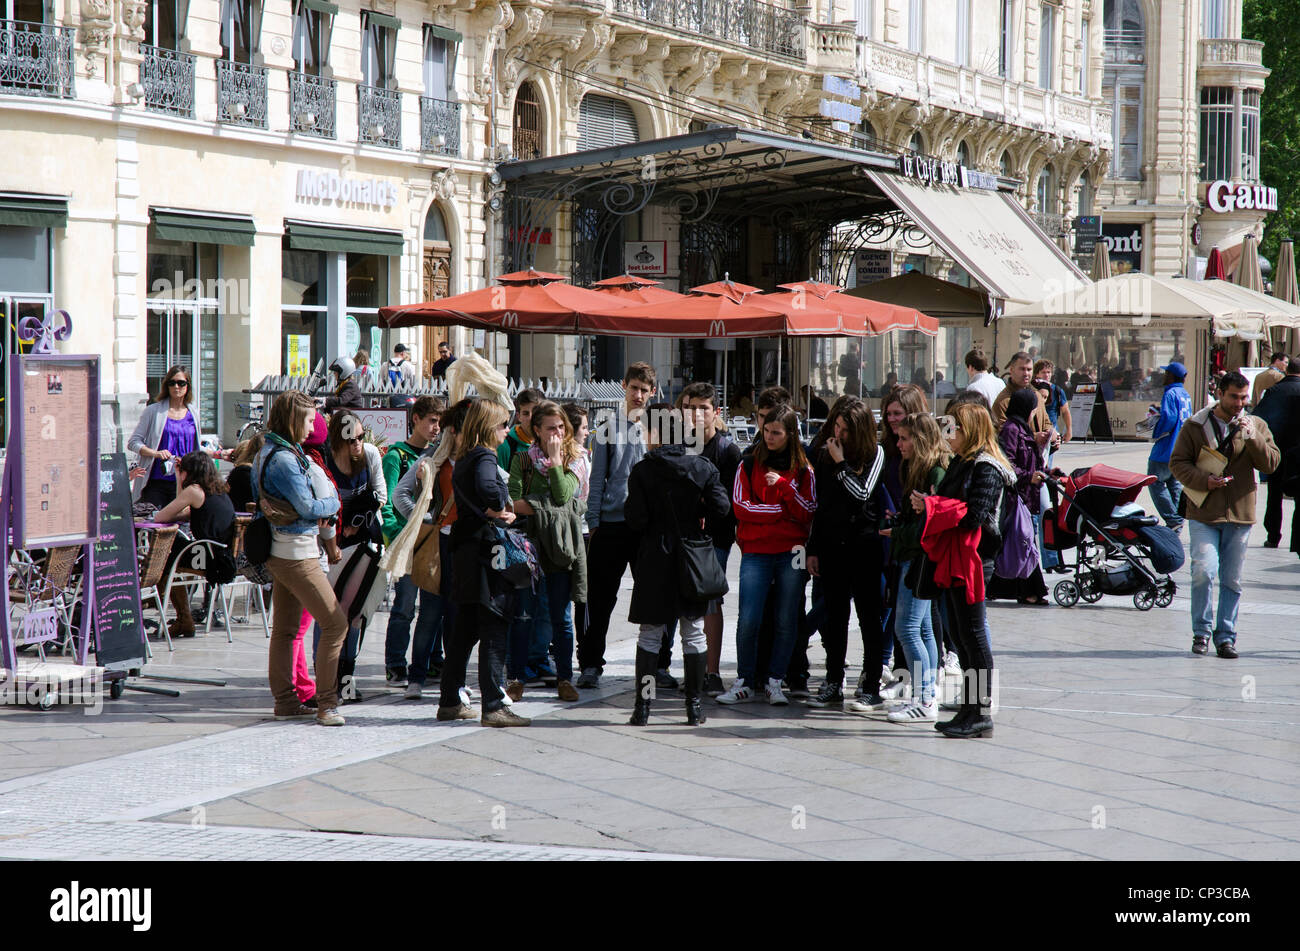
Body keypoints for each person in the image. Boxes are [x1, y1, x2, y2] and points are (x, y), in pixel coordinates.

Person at [624, 404, 730, 726]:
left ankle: (643, 709)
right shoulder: (703, 467)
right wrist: (698, 514)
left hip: (656, 556)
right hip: (692, 556)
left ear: (657, 433)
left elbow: (635, 519)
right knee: (694, 633)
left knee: (650, 635)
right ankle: (694, 706)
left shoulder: (643, 470)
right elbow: (722, 508)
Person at [252, 390, 348, 726]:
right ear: (294, 418)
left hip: (279, 551)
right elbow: (310, 508)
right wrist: (333, 504)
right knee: (336, 624)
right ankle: (327, 704)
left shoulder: (266, 451)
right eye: (309, 420)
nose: (313, 427)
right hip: (297, 554)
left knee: (286, 630)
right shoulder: (285, 459)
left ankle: (286, 702)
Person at [1169, 371, 1279, 658]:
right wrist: (1204, 480)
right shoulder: (1196, 425)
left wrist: (1252, 437)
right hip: (1204, 512)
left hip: (1240, 514)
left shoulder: (1256, 424)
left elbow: (1270, 464)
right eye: (1233, 397)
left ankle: (1226, 636)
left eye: (1243, 398)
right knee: (1203, 572)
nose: (1239, 403)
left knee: (1232, 580)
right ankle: (1201, 632)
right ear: (1219, 393)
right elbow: (1178, 463)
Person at [924, 402, 1014, 738]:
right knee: (962, 638)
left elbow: (976, 514)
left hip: (976, 560)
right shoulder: (963, 462)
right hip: (958, 556)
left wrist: (934, 505)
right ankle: (969, 709)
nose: (948, 434)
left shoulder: (986, 466)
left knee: (973, 637)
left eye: (954, 428)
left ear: (970, 431)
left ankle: (980, 713)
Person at [717, 404, 817, 706]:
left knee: (787, 619)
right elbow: (740, 506)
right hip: (756, 552)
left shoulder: (804, 469)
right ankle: (745, 680)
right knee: (748, 618)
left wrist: (785, 489)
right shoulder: (747, 463)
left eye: (776, 432)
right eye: (766, 431)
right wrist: (779, 512)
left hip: (792, 553)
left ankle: (775, 681)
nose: (769, 437)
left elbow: (808, 511)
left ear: (790, 435)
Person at [446, 398, 530, 726]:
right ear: (488, 428)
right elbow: (488, 490)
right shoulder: (484, 456)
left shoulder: (465, 456)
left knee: (465, 628)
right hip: (485, 551)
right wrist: (499, 504)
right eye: (503, 425)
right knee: (495, 623)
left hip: (466, 548)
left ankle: (450, 700)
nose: (507, 431)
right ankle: (493, 705)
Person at [576, 363, 655, 688]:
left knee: (653, 596)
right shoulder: (609, 425)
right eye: (633, 387)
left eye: (644, 390)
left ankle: (657, 666)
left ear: (652, 392)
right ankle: (591, 663)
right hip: (610, 524)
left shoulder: (658, 426)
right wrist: (594, 522)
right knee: (599, 598)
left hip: (647, 527)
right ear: (624, 386)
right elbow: (597, 479)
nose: (638, 395)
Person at [804, 396, 885, 709]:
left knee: (868, 618)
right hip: (831, 546)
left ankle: (871, 683)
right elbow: (820, 506)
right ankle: (833, 680)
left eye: (845, 429)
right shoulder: (825, 454)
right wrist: (813, 549)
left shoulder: (874, 453)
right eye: (835, 425)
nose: (837, 433)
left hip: (864, 547)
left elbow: (862, 494)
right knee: (835, 618)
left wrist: (840, 463)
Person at [507, 400, 588, 703]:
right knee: (524, 614)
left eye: (561, 427)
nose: (557, 432)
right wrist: (551, 505)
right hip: (528, 545)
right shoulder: (522, 459)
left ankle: (565, 678)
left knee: (561, 617)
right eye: (550, 427)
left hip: (561, 546)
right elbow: (513, 502)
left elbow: (566, 494)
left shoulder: (576, 457)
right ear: (537, 430)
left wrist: (555, 462)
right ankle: (515, 677)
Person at [875, 413, 949, 723]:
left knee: (906, 628)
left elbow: (930, 525)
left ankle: (926, 699)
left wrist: (900, 531)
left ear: (919, 440)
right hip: (913, 556)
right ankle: (926, 695)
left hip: (920, 558)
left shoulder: (935, 472)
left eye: (905, 438)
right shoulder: (915, 468)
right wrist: (899, 521)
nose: (899, 443)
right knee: (922, 629)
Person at [381, 397, 446, 694]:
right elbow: (389, 498)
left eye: (439, 422)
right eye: (431, 421)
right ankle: (396, 664)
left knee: (435, 606)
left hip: (432, 540)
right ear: (415, 419)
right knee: (405, 605)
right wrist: (399, 534)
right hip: (407, 539)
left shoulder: (440, 453)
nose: (436, 428)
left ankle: (433, 659)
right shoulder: (398, 455)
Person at [681, 382, 741, 697]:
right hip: (683, 535)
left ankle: (712, 672)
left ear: (715, 413)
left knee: (710, 601)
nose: (697, 414)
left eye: (704, 408)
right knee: (686, 602)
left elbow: (729, 503)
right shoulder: (680, 444)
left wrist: (704, 507)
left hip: (714, 538)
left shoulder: (727, 450)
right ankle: (692, 668)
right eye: (691, 408)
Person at [153, 451, 237, 639]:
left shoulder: (194, 491)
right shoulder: (218, 489)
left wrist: (178, 478)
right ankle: (183, 619)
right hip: (223, 557)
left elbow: (160, 517)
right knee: (171, 552)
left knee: (162, 554)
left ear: (189, 472)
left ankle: (184, 618)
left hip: (209, 559)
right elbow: (186, 511)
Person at [986, 387, 1050, 605]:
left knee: (1019, 542)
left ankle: (1003, 588)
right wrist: (1028, 476)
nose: (1034, 413)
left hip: (1026, 496)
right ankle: (1030, 590)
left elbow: (1031, 462)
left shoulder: (1022, 428)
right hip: (1017, 497)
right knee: (1023, 542)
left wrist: (1048, 474)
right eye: (1033, 409)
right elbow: (1008, 464)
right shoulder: (1012, 430)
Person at [128, 365, 203, 507]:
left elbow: (197, 448)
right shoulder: (153, 411)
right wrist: (155, 453)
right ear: (166, 386)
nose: (176, 387)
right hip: (156, 480)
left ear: (188, 386)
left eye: (181, 383)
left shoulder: (193, 413)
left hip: (184, 481)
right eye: (172, 383)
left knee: (182, 525)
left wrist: (219, 454)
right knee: (154, 522)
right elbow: (133, 442)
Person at [1254, 357, 1300, 550]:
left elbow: (1259, 417)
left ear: (1287, 370)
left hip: (1277, 451)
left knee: (1274, 495)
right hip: (1298, 454)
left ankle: (1273, 536)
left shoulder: (1274, 390)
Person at [1146, 361, 1194, 533]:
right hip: (1181, 447)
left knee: (1154, 481)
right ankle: (1178, 519)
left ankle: (1173, 519)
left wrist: (1155, 430)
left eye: (1167, 373)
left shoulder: (1170, 393)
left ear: (1172, 376)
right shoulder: (1184, 394)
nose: (1164, 376)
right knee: (1174, 484)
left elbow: (1169, 418)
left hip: (1165, 448)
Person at [992, 352, 1051, 435]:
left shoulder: (1037, 395)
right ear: (1011, 370)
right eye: (1022, 369)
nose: (1026, 373)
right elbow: (1005, 434)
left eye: (1029, 369)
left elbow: (1046, 422)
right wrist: (1035, 437)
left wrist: (1051, 435)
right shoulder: (1003, 401)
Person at [1033, 359, 1072, 445]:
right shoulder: (1032, 389)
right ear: (1037, 374)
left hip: (1051, 431)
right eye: (1043, 372)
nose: (1046, 375)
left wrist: (1069, 430)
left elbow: (1065, 411)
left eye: (1049, 372)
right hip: (1035, 431)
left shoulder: (1057, 391)